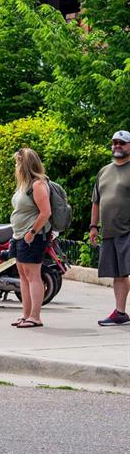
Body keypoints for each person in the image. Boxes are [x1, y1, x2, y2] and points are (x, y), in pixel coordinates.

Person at [89, 129, 130, 327]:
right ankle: (120, 313)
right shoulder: (104, 171)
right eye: (114, 143)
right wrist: (93, 226)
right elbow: (96, 202)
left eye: (122, 143)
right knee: (119, 274)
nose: (117, 146)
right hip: (110, 232)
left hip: (128, 231)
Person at [9, 147, 54, 329]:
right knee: (23, 275)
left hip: (32, 236)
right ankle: (25, 314)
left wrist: (32, 233)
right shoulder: (24, 185)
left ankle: (35, 317)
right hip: (19, 235)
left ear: (24, 164)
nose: (15, 165)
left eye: (17, 162)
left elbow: (46, 213)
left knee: (33, 276)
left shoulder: (38, 184)